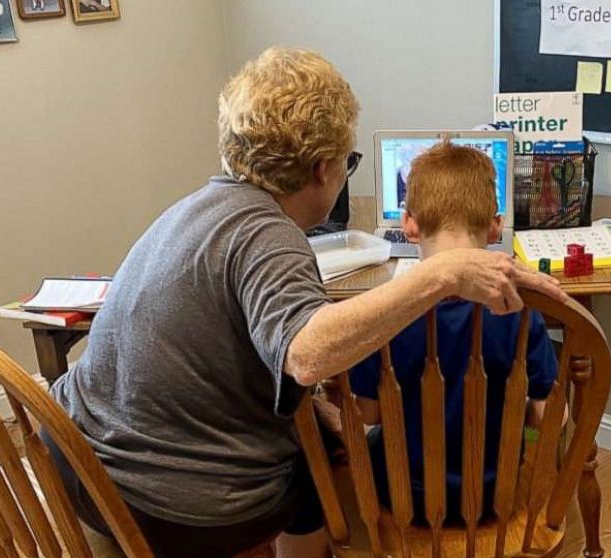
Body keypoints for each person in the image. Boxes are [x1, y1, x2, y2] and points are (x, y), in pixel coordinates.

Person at [46, 47, 565, 558]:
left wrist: (321, 405)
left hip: (75, 459)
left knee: (326, 435)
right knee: (315, 466)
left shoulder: (193, 209)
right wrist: (444, 272)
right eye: (348, 163)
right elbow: (307, 355)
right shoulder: (270, 237)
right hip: (164, 507)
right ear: (322, 170)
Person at [349, 142, 559, 521]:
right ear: (496, 226)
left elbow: (367, 413)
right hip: (495, 494)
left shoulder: (383, 311)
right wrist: (515, 408)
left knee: (370, 442)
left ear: (409, 225)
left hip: (406, 496)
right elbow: (551, 417)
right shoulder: (519, 311)